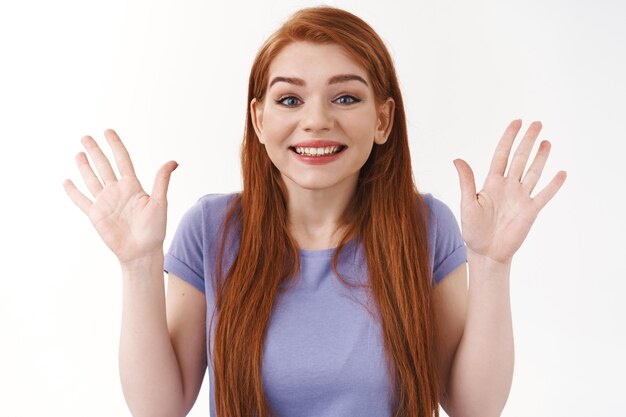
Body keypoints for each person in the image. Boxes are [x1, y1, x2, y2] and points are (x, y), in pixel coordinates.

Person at [62, 6, 566, 417]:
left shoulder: (425, 227)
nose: (317, 120)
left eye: (346, 97)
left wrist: (494, 265)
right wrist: (137, 263)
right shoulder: (212, 229)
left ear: (383, 119)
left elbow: (474, 407)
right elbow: (159, 408)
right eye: (289, 100)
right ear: (258, 121)